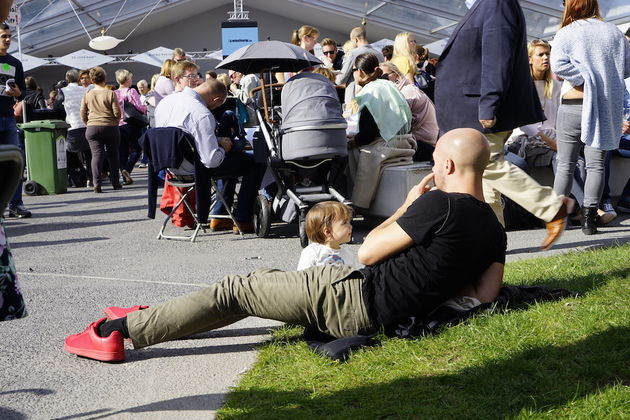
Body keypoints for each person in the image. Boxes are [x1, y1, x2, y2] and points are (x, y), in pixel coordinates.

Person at [63, 128, 506, 363]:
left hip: (354, 298)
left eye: (434, 161)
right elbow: (483, 295)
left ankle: (115, 335)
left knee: (237, 288)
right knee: (267, 283)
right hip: (375, 302)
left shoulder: (438, 205)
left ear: (446, 164)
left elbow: (369, 251)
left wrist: (406, 206)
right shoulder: (493, 226)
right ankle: (152, 316)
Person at [434, 0, 567, 250]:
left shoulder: (496, 3)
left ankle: (550, 206)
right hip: (473, 109)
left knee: (488, 164)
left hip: (480, 110)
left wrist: (489, 103)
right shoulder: (489, 4)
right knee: (484, 178)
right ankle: (490, 243)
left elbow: (498, 56)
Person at [550, 0, 630, 235]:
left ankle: (557, 218)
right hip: (604, 107)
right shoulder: (614, 32)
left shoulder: (567, 32)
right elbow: (625, 68)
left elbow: (558, 66)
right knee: (596, 165)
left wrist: (586, 78)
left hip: (573, 105)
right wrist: (601, 77)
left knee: (565, 163)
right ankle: (589, 219)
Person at [154, 80, 264, 232]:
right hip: (195, 169)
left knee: (232, 161)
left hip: (171, 167)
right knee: (254, 163)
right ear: (216, 100)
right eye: (218, 106)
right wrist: (224, 148)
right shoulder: (201, 113)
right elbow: (211, 161)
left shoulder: (166, 102)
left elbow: (182, 135)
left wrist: (217, 141)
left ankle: (220, 215)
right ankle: (243, 219)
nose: (216, 109)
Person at [347, 53, 414, 209]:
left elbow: (368, 133)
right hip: (406, 143)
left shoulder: (370, 91)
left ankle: (359, 203)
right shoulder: (389, 85)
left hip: (386, 148)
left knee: (350, 153)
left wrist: (353, 142)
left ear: (360, 72)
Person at [0, 23, 30, 219]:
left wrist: (19, 93)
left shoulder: (14, 62)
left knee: (15, 162)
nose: (8, 39)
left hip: (8, 118)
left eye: (10, 36)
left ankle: (16, 204)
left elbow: (23, 93)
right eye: (4, 36)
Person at [380, 61, 438, 161]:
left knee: (376, 151)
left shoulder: (406, 92)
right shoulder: (402, 90)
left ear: (396, 74)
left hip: (425, 145)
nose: (381, 80)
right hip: (424, 142)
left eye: (384, 76)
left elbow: (398, 126)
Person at [80, 66, 122, 193]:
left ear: (92, 80)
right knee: (113, 155)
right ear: (105, 78)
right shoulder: (110, 93)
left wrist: (88, 123)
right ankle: (115, 182)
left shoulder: (88, 94)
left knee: (96, 155)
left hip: (92, 127)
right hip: (110, 126)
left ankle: (96, 183)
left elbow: (82, 113)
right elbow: (117, 112)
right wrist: (115, 121)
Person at [56, 69, 92, 187]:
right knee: (89, 153)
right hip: (87, 125)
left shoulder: (63, 91)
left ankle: (79, 175)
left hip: (73, 125)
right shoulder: (85, 89)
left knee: (69, 153)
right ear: (78, 79)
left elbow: (56, 106)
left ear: (67, 79)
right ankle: (91, 177)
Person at [297, 201, 359, 270]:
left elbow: (354, 278)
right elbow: (303, 277)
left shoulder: (348, 254)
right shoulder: (312, 253)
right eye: (344, 223)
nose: (350, 226)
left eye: (349, 222)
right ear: (328, 232)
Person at [114, 69, 146, 185]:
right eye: (131, 78)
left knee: (122, 151)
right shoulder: (131, 91)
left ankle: (124, 173)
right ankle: (126, 169)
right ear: (127, 79)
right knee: (136, 150)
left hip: (118, 125)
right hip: (131, 124)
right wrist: (145, 107)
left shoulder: (114, 93)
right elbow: (139, 108)